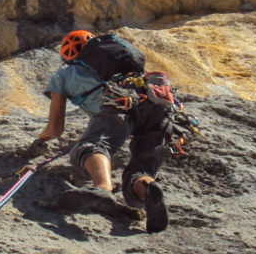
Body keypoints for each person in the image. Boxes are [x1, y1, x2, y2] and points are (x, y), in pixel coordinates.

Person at [32, 30, 173, 233]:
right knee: (139, 170)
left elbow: (55, 128)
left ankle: (102, 188)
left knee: (91, 147)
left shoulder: (63, 74)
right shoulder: (117, 61)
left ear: (67, 56)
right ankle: (147, 188)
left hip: (121, 103)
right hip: (157, 106)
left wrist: (40, 140)